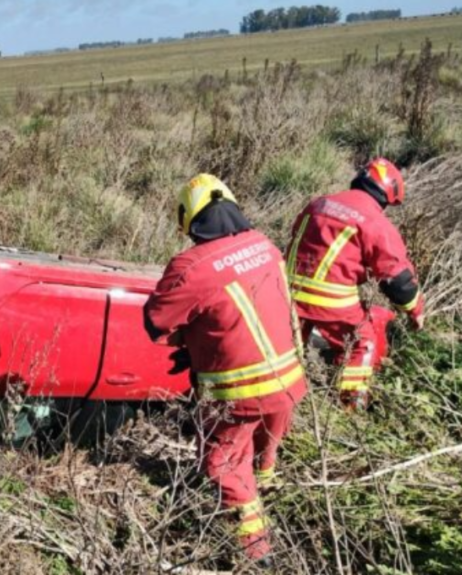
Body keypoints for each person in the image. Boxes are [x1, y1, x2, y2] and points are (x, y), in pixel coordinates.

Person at [144, 174, 306, 567]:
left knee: (222, 463)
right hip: (290, 382)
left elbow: (155, 323)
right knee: (264, 444)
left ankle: (258, 551)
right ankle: (267, 479)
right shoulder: (266, 246)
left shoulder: (189, 266)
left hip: (240, 392)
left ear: (189, 219)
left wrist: (189, 343)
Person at [285, 158, 424, 411]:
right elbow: (398, 281)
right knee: (362, 340)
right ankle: (352, 405)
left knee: (291, 343)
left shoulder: (319, 203)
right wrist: (415, 311)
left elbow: (296, 237)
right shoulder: (374, 221)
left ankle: (288, 394)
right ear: (386, 195)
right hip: (331, 299)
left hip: (287, 292)